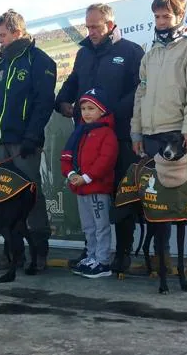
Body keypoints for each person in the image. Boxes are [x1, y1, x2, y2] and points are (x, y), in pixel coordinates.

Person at [54, 3, 144, 271]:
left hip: (120, 136)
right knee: (88, 195)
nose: (91, 31)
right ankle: (91, 252)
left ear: (110, 24)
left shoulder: (130, 51)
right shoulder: (83, 54)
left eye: (96, 26)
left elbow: (139, 89)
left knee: (122, 196)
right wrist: (61, 101)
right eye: (88, 26)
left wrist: (109, 113)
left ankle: (123, 253)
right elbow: (73, 81)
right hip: (86, 138)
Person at [130, 0, 187, 282]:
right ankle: (159, 257)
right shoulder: (150, 54)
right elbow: (141, 93)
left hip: (178, 134)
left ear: (180, 16)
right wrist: (136, 131)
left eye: (166, 16)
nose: (161, 21)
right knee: (153, 198)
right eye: (157, 16)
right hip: (150, 134)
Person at [0, 9, 57, 272]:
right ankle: (11, 253)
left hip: (24, 143)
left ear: (18, 32)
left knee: (30, 196)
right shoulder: (0, 64)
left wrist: (32, 135)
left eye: (3, 35)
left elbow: (44, 103)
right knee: (4, 198)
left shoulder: (40, 61)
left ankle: (39, 252)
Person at [60, 88, 118, 278]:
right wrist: (70, 175)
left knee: (101, 226)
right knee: (88, 226)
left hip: (97, 188)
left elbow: (105, 160)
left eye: (91, 108)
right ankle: (92, 256)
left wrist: (85, 177)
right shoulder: (79, 132)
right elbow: (66, 157)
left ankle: (103, 261)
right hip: (80, 189)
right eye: (83, 108)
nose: (86, 112)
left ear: (102, 111)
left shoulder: (107, 133)